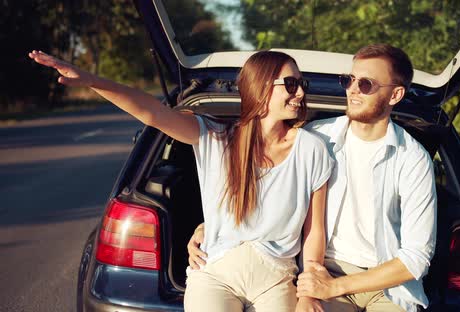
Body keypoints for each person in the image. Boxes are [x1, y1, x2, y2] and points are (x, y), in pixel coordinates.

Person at [29, 50, 333, 312]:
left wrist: (307, 291)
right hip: (215, 273)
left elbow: (314, 230)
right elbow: (151, 112)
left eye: (301, 84)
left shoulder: (312, 149)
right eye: (291, 85)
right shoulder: (217, 139)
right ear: (261, 88)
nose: (301, 93)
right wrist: (91, 80)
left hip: (275, 278)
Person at [188, 44, 437, 312]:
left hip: (385, 285)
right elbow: (269, 184)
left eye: (365, 84)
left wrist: (335, 287)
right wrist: (210, 226)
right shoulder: (316, 138)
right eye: (349, 80)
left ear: (395, 94)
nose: (352, 89)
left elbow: (416, 257)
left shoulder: (413, 159)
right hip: (323, 271)